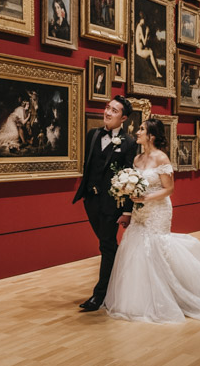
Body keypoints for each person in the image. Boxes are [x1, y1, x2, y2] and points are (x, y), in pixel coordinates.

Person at [104, 118, 200, 322]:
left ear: (151, 136)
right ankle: (140, 299)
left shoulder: (161, 158)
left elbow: (169, 189)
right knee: (136, 247)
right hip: (140, 211)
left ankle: (174, 293)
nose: (137, 132)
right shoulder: (137, 160)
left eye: (141, 129)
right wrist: (128, 191)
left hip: (158, 210)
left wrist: (146, 197)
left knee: (156, 246)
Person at [72, 96, 138, 312]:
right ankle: (120, 282)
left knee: (107, 245)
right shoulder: (93, 134)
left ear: (124, 118)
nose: (108, 112)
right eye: (107, 108)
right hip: (90, 200)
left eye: (114, 110)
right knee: (107, 245)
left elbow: (130, 176)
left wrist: (127, 211)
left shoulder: (129, 143)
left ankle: (99, 295)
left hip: (112, 204)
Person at [134, 12, 163, 79]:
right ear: (142, 19)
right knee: (150, 52)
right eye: (144, 19)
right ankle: (157, 72)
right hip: (139, 51)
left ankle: (157, 71)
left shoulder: (138, 27)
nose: (144, 21)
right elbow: (144, 42)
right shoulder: (139, 27)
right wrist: (147, 33)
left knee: (149, 50)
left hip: (140, 49)